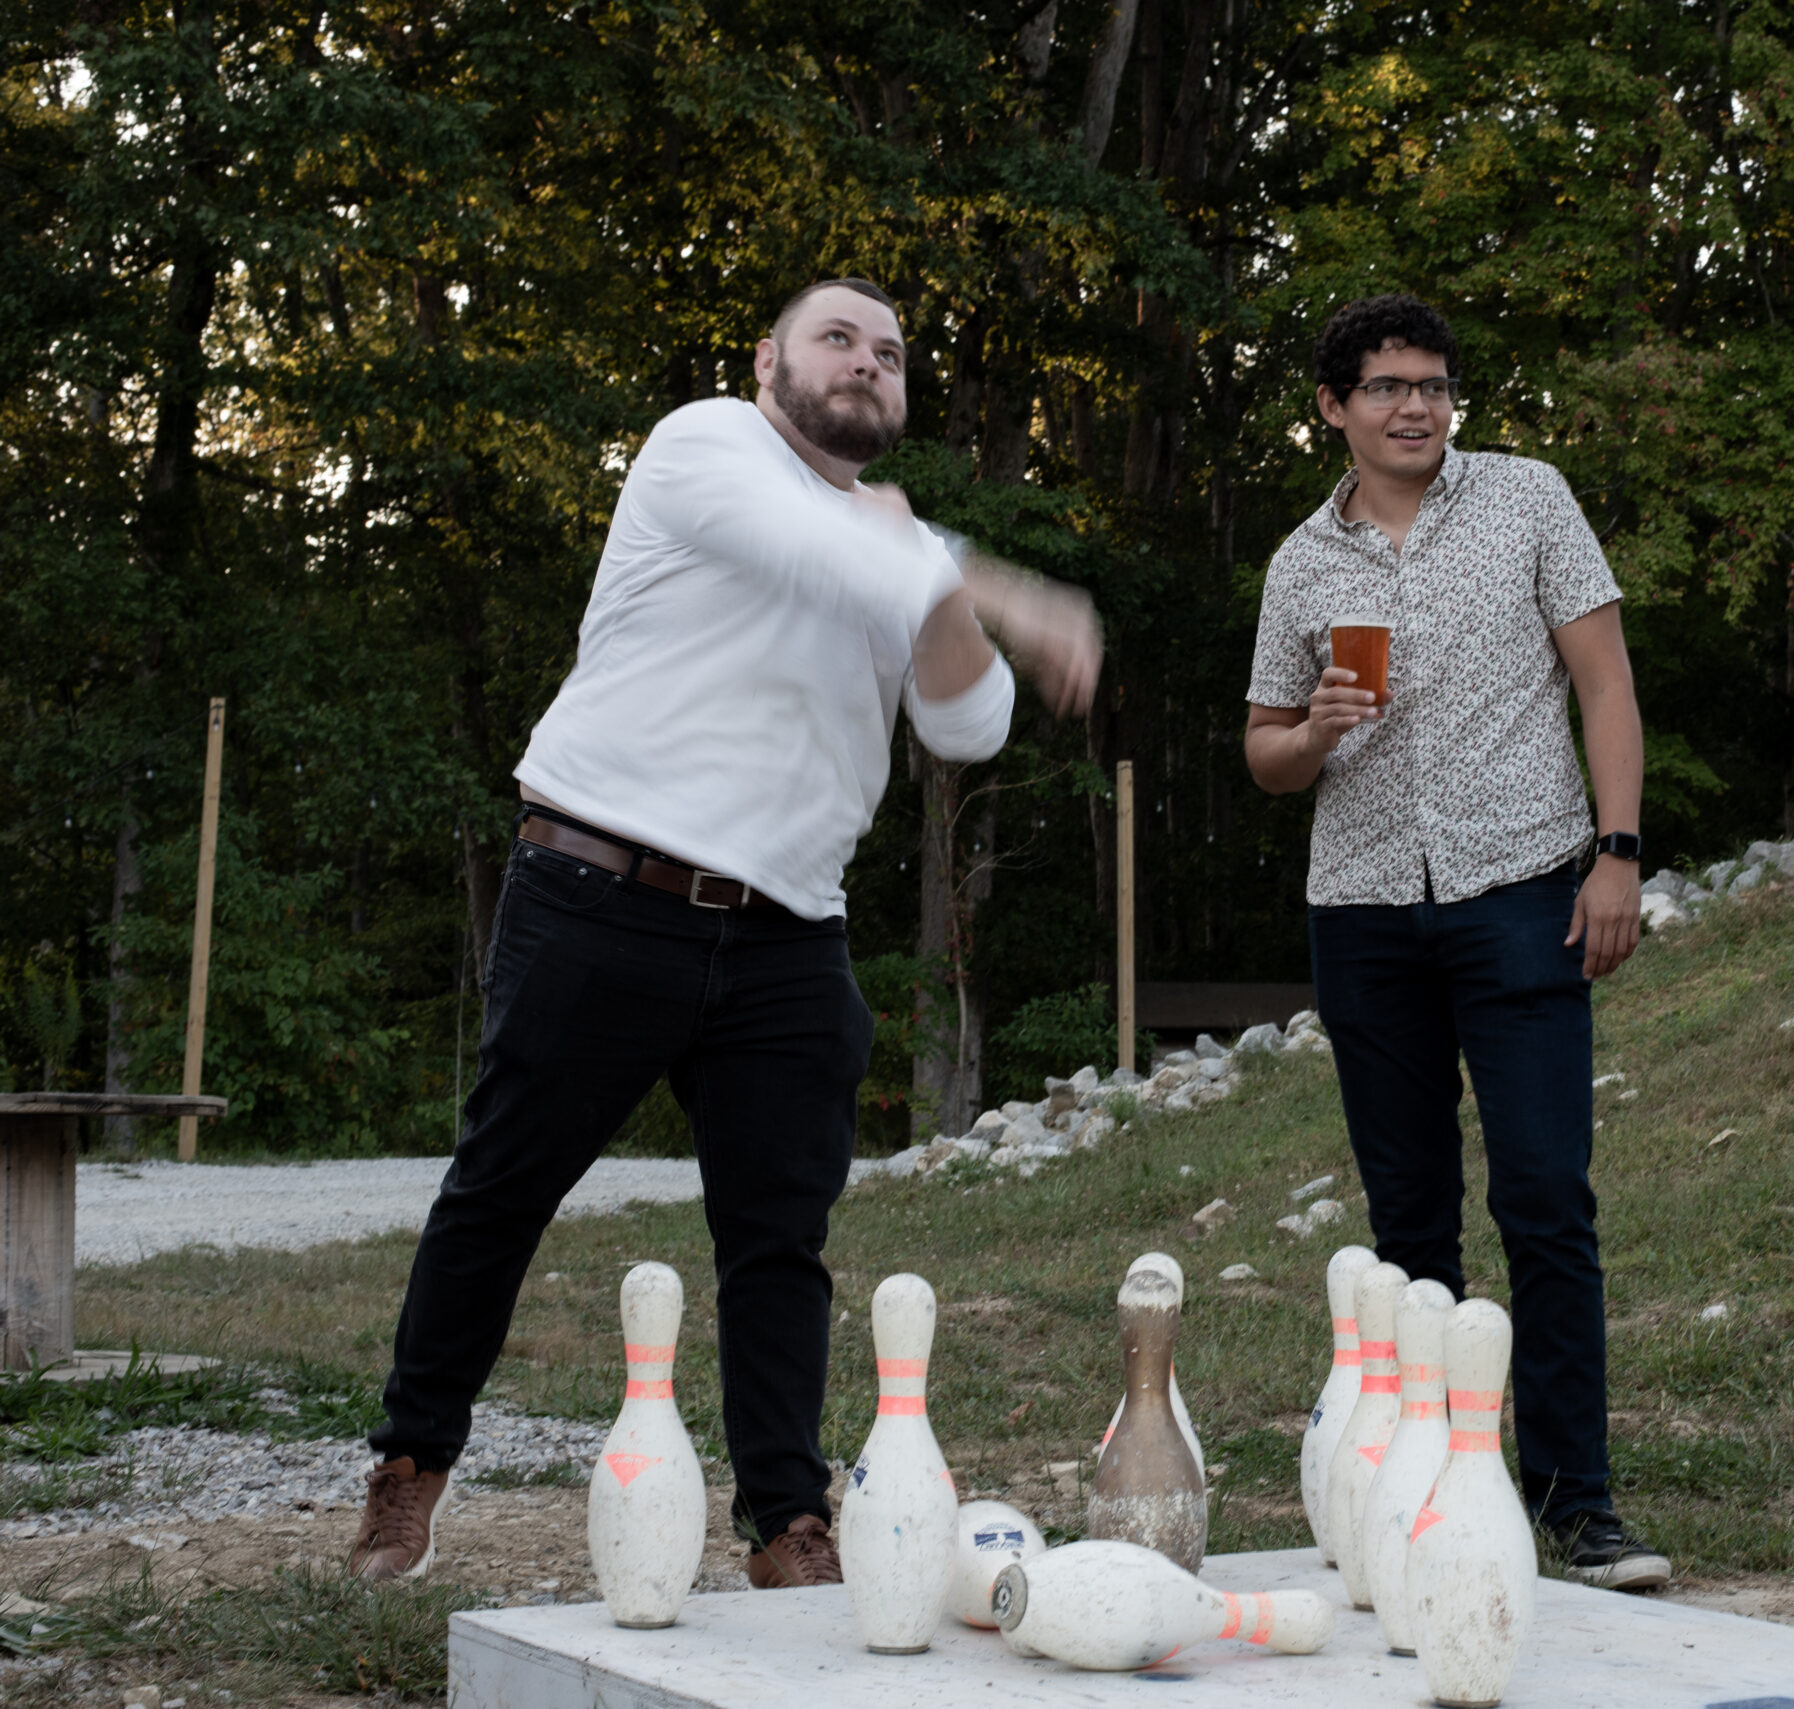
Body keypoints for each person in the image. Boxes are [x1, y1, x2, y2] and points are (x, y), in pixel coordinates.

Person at [346, 278, 1100, 1590]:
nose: (867, 363)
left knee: (778, 1239)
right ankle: (410, 1471)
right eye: (837, 339)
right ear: (768, 361)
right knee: (503, 1191)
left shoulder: (891, 543)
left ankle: (783, 1520)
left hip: (788, 937)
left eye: (890, 352)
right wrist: (1003, 587)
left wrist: (937, 587)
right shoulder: (709, 446)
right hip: (601, 887)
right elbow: (820, 551)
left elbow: (969, 725)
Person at [1243, 292, 1669, 1591]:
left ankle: (1575, 1500)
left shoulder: (1530, 498)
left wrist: (1617, 851)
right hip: (1363, 910)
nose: (1416, 405)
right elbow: (1263, 753)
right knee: (1409, 1216)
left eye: (1432, 383)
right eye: (1385, 386)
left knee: (1546, 1196)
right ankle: (1429, 1486)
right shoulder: (1299, 565)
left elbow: (1606, 683)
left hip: (1523, 889)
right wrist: (1315, 731)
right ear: (1334, 407)